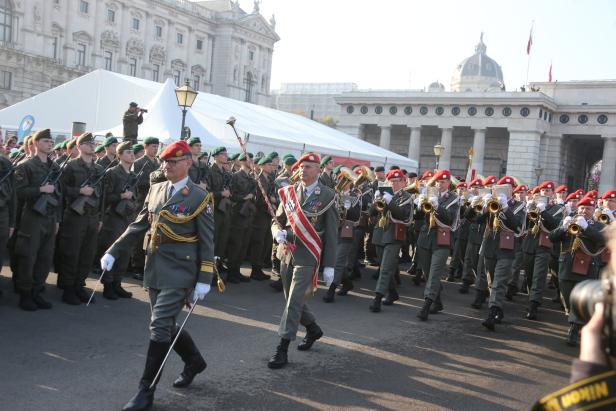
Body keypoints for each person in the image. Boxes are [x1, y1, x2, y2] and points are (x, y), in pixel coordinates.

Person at [101, 140, 215, 411]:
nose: (166, 166)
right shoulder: (156, 189)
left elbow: (208, 242)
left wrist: (204, 278)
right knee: (163, 324)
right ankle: (194, 360)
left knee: (159, 325)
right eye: (164, 162)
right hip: (154, 268)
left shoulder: (199, 196)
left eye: (172, 162)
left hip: (181, 271)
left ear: (187, 163)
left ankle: (145, 391)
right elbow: (140, 223)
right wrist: (114, 250)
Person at [268, 153, 337, 369]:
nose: (303, 170)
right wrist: (275, 233)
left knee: (294, 301)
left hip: (308, 255)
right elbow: (277, 220)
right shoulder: (289, 193)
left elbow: (332, 233)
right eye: (301, 167)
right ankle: (313, 328)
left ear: (318, 169)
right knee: (291, 299)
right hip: (286, 252)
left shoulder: (327, 195)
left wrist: (329, 264)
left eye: (308, 166)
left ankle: (282, 348)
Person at [549, 195, 607, 345]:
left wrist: (587, 228)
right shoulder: (568, 220)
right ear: (577, 208)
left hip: (587, 266)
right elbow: (552, 238)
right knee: (567, 297)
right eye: (582, 208)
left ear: (593, 209)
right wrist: (562, 228)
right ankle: (576, 319)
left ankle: (574, 329)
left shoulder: (599, 225)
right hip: (567, 265)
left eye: (588, 208)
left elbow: (603, 241)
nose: (584, 211)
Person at [13, 129, 61, 311]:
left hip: (49, 217)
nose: (50, 144)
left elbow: (60, 195)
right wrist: (40, 190)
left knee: (45, 257)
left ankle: (37, 291)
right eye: (46, 141)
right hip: (32, 217)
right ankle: (25, 294)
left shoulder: (55, 167)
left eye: (51, 141)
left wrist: (57, 219)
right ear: (36, 143)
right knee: (29, 255)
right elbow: (18, 192)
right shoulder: (26, 166)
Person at [58, 132, 105, 305]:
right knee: (72, 252)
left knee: (87, 253)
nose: (92, 146)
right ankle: (68, 288)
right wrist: (79, 191)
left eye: (93, 143)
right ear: (79, 146)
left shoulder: (99, 169)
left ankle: (79, 285)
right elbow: (60, 190)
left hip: (92, 217)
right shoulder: (70, 166)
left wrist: (99, 218)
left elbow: (102, 196)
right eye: (87, 143)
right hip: (75, 216)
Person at [478, 177, 526, 330]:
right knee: (492, 280)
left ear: (513, 190)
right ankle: (498, 307)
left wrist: (505, 208)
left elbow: (517, 226)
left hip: (507, 247)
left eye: (509, 187)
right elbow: (477, 220)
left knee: (499, 281)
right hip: (491, 246)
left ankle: (492, 313)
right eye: (502, 187)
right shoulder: (493, 202)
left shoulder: (519, 206)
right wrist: (483, 206)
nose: (505, 190)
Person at [416, 170, 460, 321]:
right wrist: (418, 203)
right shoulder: (429, 194)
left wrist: (437, 205)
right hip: (425, 239)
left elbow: (449, 219)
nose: (439, 185)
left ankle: (426, 306)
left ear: (448, 183)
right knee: (428, 274)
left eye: (443, 182)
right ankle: (438, 301)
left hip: (441, 240)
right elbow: (417, 217)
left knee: (434, 274)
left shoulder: (454, 199)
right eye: (437, 182)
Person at [368, 169, 413, 312]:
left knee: (386, 267)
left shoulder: (407, 197)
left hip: (394, 235)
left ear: (403, 181)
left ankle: (377, 299)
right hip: (380, 233)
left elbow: (403, 215)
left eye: (396, 181)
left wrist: (390, 201)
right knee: (386, 265)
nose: (393, 184)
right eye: (391, 181)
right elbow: (371, 213)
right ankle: (392, 292)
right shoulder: (384, 194)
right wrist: (375, 201)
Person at [98, 142, 137, 300]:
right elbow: (105, 197)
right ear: (119, 155)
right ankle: (108, 284)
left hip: (128, 217)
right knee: (113, 250)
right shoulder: (112, 173)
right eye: (128, 152)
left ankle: (117, 283)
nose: (132, 154)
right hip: (114, 217)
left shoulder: (133, 176)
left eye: (132, 152)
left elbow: (136, 197)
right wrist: (121, 196)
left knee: (125, 251)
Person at [130, 137, 161, 281]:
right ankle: (137, 266)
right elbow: (136, 182)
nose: (156, 149)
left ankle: (149, 266)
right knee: (139, 236)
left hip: (157, 205)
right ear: (146, 147)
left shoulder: (159, 163)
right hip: (142, 203)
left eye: (157, 146)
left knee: (153, 237)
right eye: (153, 146)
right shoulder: (138, 163)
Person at [206, 146, 232, 275]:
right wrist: (221, 193)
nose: (225, 156)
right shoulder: (210, 172)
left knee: (223, 240)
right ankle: (209, 271)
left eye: (226, 154)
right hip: (214, 210)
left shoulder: (226, 173)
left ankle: (218, 267)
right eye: (222, 154)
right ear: (215, 157)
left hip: (224, 210)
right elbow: (206, 193)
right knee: (214, 241)